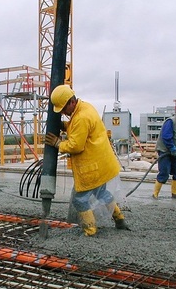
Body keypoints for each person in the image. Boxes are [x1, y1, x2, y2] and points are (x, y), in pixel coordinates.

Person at [44, 84, 129, 237]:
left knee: (80, 200)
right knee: (102, 193)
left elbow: (75, 146)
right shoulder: (85, 108)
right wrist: (65, 126)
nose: (63, 112)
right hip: (103, 163)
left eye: (63, 109)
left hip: (92, 166)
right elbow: (77, 127)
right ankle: (119, 219)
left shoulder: (81, 117)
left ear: (71, 102)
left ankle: (90, 230)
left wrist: (58, 143)